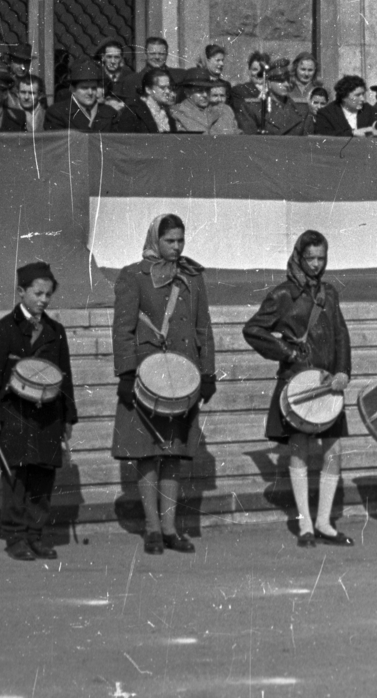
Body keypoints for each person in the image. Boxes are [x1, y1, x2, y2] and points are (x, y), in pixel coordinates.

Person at [111, 214, 216, 554]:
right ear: (155, 240)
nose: (176, 247)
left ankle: (170, 529)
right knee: (146, 452)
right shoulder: (132, 276)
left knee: (174, 453)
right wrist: (126, 373)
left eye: (180, 240)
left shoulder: (192, 277)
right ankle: (152, 529)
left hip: (184, 376)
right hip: (147, 377)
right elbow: (123, 329)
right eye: (170, 241)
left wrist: (208, 373)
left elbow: (203, 328)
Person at [243, 230, 353, 547]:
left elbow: (341, 335)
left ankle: (324, 523)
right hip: (298, 384)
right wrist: (286, 352)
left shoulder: (329, 293)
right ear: (298, 257)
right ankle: (305, 525)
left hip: (328, 384)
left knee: (334, 451)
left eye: (321, 258)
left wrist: (344, 370)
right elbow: (253, 330)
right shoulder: (283, 294)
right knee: (300, 449)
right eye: (310, 258)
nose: (316, 264)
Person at [0, 260, 76, 561]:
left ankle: (36, 535)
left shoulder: (55, 331)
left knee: (42, 479)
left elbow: (65, 376)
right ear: (21, 292)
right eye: (37, 294)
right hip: (13, 418)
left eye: (48, 295)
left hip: (47, 418)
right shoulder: (3, 330)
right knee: (16, 480)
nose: (43, 300)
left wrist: (68, 417)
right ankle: (15, 536)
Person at [235, 58, 309, 136]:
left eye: (288, 81)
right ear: (268, 83)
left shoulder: (302, 111)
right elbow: (249, 142)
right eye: (281, 81)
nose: (286, 84)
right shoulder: (252, 109)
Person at [44, 59, 116, 132]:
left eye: (94, 88)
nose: (90, 92)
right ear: (73, 89)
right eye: (84, 88)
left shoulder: (110, 113)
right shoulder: (57, 113)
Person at [171, 69, 239, 135]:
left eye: (207, 90)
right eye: (199, 91)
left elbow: (238, 136)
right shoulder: (176, 113)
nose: (205, 95)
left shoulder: (225, 110)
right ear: (187, 92)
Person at [311, 75, 377, 137]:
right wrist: (353, 133)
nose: (362, 99)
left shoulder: (369, 111)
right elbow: (322, 136)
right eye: (357, 95)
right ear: (343, 96)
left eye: (363, 94)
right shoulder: (326, 114)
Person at [123, 68, 181, 133]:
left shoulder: (168, 114)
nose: (167, 91)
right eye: (162, 88)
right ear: (148, 90)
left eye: (169, 87)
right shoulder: (133, 112)